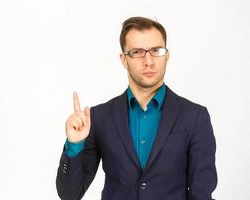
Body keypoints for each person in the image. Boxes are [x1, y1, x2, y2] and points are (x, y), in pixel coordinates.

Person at [56, 16, 217, 200]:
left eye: (156, 50)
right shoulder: (99, 117)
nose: (148, 61)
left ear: (167, 55)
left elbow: (201, 194)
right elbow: (69, 195)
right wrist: (75, 144)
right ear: (124, 60)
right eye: (138, 52)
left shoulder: (194, 116)